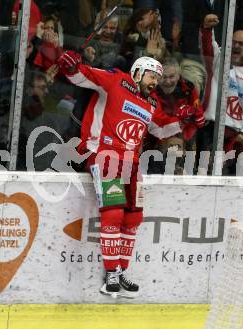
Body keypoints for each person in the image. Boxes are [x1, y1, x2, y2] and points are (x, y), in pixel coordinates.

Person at [57, 51, 181, 297]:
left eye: (158, 76)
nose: (155, 81)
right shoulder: (116, 80)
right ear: (137, 72)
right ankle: (111, 273)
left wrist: (187, 120)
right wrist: (70, 65)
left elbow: (164, 129)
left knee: (133, 217)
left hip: (132, 163)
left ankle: (121, 271)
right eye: (151, 75)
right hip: (105, 155)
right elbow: (83, 76)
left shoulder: (151, 102)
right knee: (113, 213)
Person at [197, 14, 243, 175]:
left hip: (234, 134)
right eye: (233, 42)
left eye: (241, 44)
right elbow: (207, 45)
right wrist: (207, 28)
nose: (236, 46)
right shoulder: (219, 58)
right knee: (202, 173)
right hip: (210, 128)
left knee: (225, 176)